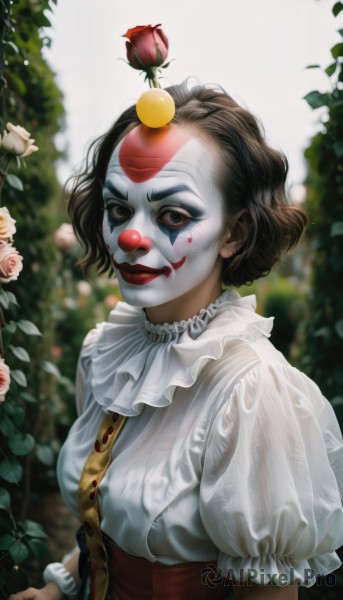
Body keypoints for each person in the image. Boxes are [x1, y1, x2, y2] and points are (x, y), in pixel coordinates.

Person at [10, 81, 343, 600]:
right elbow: (109, 529)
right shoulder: (103, 353)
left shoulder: (252, 392)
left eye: (171, 215)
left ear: (233, 233)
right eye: (118, 210)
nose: (130, 237)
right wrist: (57, 590)